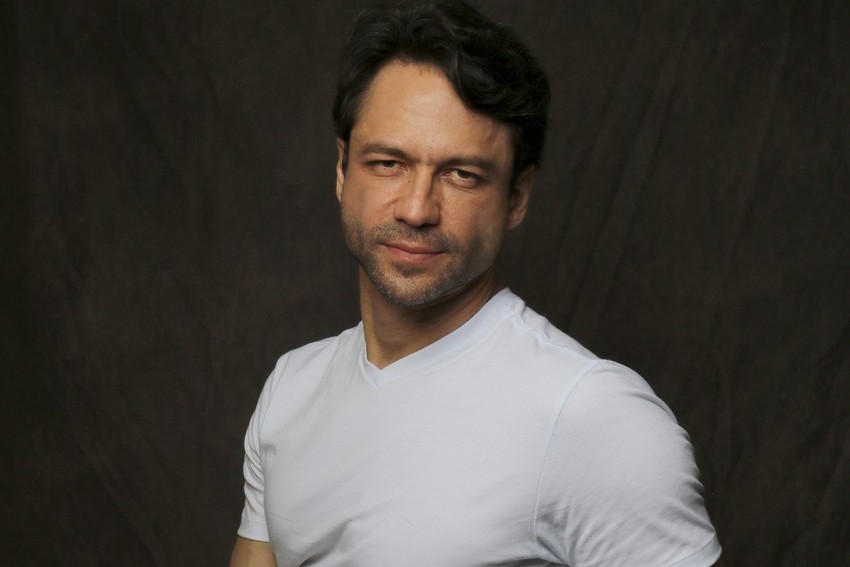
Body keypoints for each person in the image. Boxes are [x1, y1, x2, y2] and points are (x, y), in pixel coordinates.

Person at [230, 1, 722, 565]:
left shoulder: (592, 415)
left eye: (462, 175)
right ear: (342, 169)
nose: (417, 208)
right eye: (388, 163)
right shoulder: (291, 389)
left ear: (517, 196)